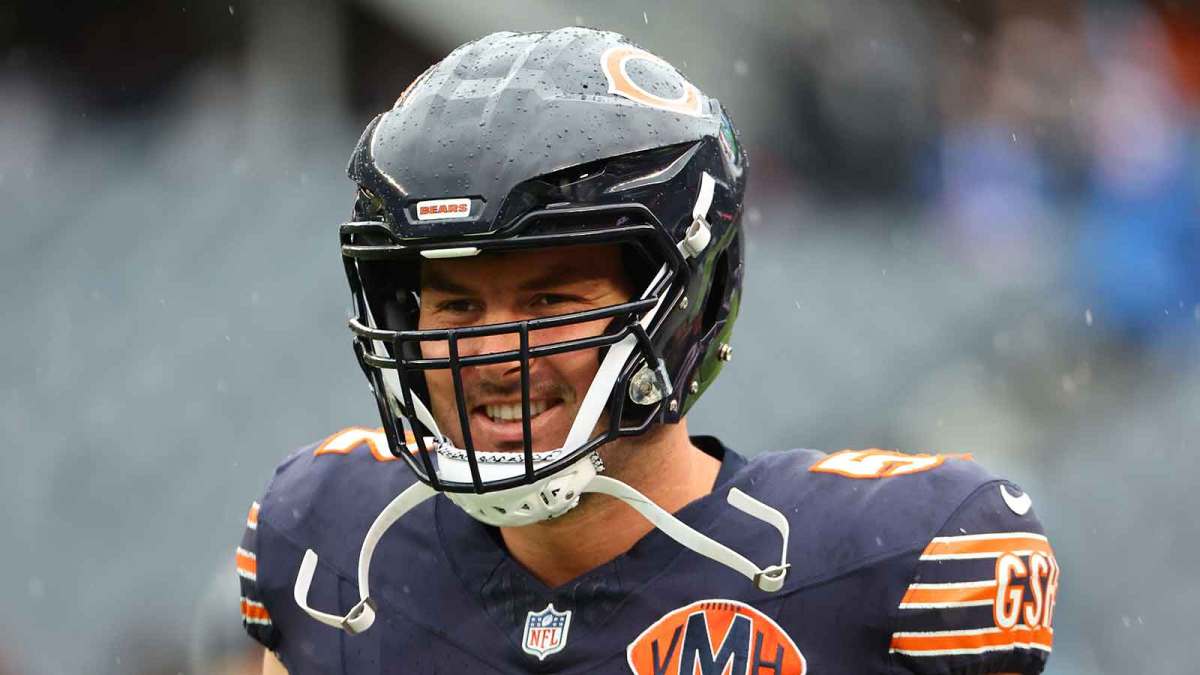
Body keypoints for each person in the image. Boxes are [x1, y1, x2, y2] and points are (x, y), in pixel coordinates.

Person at [237, 27, 1059, 674]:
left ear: (679, 308)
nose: (489, 352)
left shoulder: (886, 561)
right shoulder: (331, 544)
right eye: (455, 303)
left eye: (550, 301)